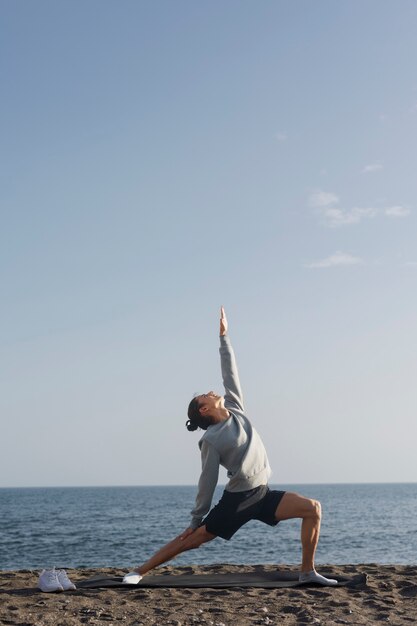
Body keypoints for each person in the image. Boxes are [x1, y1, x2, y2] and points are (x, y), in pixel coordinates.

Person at [123, 307, 337, 586]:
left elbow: (230, 372)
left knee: (313, 509)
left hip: (262, 494)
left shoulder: (236, 407)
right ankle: (139, 571)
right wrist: (196, 519)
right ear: (203, 408)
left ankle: (307, 572)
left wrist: (224, 338)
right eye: (206, 395)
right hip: (237, 501)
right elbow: (207, 481)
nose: (213, 392)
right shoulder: (210, 439)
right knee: (192, 540)